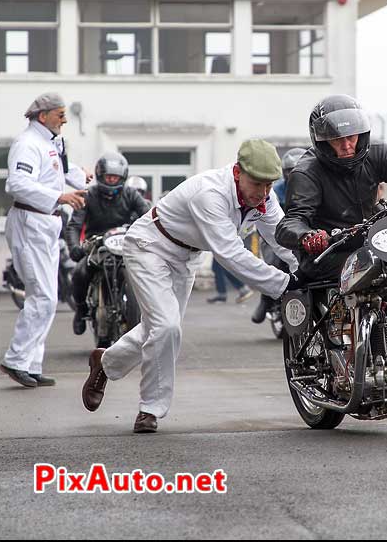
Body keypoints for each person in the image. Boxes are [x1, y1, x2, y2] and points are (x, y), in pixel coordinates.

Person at [81, 139, 298, 433]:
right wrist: (285, 285)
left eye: (269, 185)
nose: (263, 193)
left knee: (158, 328)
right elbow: (231, 255)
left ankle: (104, 363)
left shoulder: (264, 199)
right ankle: (150, 409)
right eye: (257, 184)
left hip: (186, 256)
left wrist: (305, 268)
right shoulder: (210, 194)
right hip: (149, 246)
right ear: (238, 172)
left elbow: (282, 239)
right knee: (167, 326)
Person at [275, 94, 387, 284]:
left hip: (374, 241)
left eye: (351, 137)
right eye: (337, 140)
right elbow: (291, 222)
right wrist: (308, 236)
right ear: (323, 141)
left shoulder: (377, 152)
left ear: (361, 134)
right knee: (371, 265)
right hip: (328, 253)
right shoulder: (307, 171)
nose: (346, 146)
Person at [0, 93, 90, 389]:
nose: (64, 119)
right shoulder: (27, 144)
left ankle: (31, 365)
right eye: (59, 114)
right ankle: (16, 360)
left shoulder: (51, 142)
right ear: (43, 116)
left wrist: (87, 178)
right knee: (44, 296)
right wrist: (59, 196)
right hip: (31, 221)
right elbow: (17, 184)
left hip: (47, 222)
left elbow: (62, 171)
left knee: (47, 296)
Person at [66, 152, 150, 335]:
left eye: (115, 177)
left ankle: (146, 311)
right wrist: (74, 247)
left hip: (125, 243)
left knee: (147, 270)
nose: (111, 180)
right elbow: (74, 225)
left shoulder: (131, 194)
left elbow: (148, 215)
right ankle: (80, 310)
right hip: (96, 244)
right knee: (80, 272)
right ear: (100, 176)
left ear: (123, 177)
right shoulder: (89, 196)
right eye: (108, 176)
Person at [251, 147, 307, 324]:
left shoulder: (313, 188)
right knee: (273, 261)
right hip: (275, 235)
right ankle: (265, 300)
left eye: (298, 171)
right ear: (284, 173)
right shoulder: (277, 190)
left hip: (304, 235)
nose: (294, 175)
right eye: (290, 172)